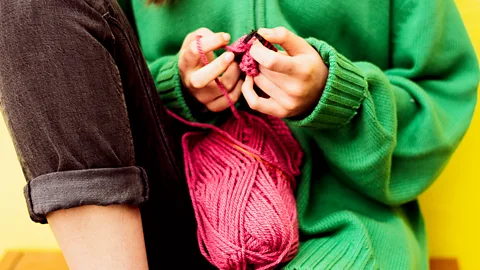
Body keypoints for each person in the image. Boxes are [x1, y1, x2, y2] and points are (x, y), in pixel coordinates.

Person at [0, 0, 477, 269]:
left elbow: (442, 93)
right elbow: (96, 68)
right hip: (157, 222)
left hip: (334, 225)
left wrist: (336, 97)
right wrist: (179, 84)